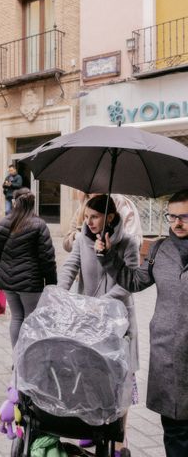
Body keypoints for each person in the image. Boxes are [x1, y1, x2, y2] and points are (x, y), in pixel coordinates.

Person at [95, 190, 188, 457]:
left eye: (184, 216)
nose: (176, 223)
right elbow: (135, 281)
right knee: (174, 429)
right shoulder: (160, 250)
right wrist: (109, 256)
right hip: (168, 353)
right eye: (172, 216)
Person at [58, 194, 139, 455]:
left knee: (120, 383)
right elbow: (70, 267)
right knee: (92, 377)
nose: (89, 222)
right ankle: (93, 429)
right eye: (86, 217)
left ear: (110, 217)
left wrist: (101, 303)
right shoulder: (83, 239)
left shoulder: (128, 243)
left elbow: (128, 284)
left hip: (118, 322)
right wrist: (59, 294)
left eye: (94, 217)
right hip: (89, 321)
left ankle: (118, 439)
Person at [0, 188, 57, 349]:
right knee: (31, 318)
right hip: (31, 283)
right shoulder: (39, 225)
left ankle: (17, 358)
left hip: (8, 282)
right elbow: (47, 258)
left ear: (14, 203)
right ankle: (28, 359)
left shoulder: (1, 225)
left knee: (16, 318)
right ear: (32, 204)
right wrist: (51, 284)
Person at [63, 191, 143, 252]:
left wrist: (107, 245)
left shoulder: (124, 206)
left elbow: (135, 245)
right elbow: (67, 245)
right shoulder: (87, 205)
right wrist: (81, 208)